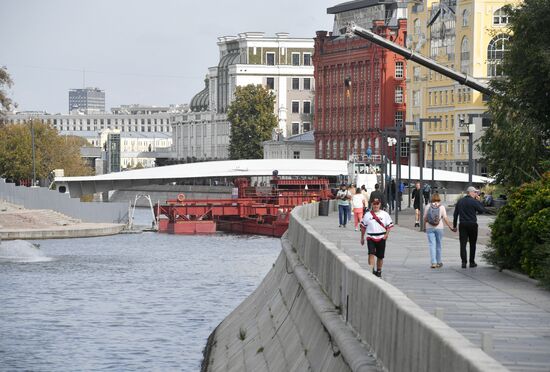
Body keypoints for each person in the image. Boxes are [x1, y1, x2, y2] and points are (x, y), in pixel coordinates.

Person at [453, 186, 487, 268]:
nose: (476, 194)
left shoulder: (460, 201)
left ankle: (463, 262)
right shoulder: (474, 201)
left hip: (463, 224)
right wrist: (479, 201)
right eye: (475, 192)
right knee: (472, 244)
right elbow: (482, 210)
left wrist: (454, 225)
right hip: (472, 224)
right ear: (470, 192)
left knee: (463, 244)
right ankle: (472, 262)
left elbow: (455, 214)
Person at [360, 197, 393, 278]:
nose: (376, 205)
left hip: (381, 237)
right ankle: (371, 270)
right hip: (371, 237)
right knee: (371, 253)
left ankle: (379, 270)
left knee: (380, 256)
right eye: (374, 204)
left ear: (380, 204)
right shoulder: (367, 215)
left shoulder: (385, 214)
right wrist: (362, 237)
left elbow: (389, 226)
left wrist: (386, 235)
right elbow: (363, 227)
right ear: (371, 204)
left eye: (377, 204)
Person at [424, 193, 456, 268]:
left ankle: (433, 262)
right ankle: (439, 262)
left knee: (432, 245)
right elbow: (445, 218)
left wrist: (424, 227)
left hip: (429, 227)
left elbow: (425, 218)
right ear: (439, 198)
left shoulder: (428, 206)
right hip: (439, 227)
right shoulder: (441, 207)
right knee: (439, 245)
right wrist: (450, 227)